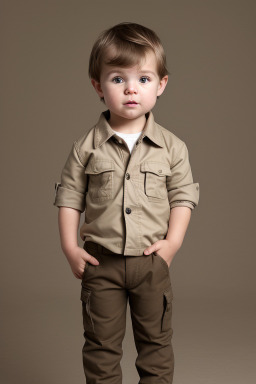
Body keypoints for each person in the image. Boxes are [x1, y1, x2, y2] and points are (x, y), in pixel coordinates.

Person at [53, 22, 200, 384]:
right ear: (98, 87)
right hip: (100, 265)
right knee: (101, 347)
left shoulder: (173, 148)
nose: (131, 89)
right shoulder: (85, 147)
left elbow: (183, 196)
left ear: (161, 84)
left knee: (156, 346)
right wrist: (70, 248)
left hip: (152, 263)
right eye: (118, 79)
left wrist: (173, 244)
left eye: (144, 79)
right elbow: (69, 197)